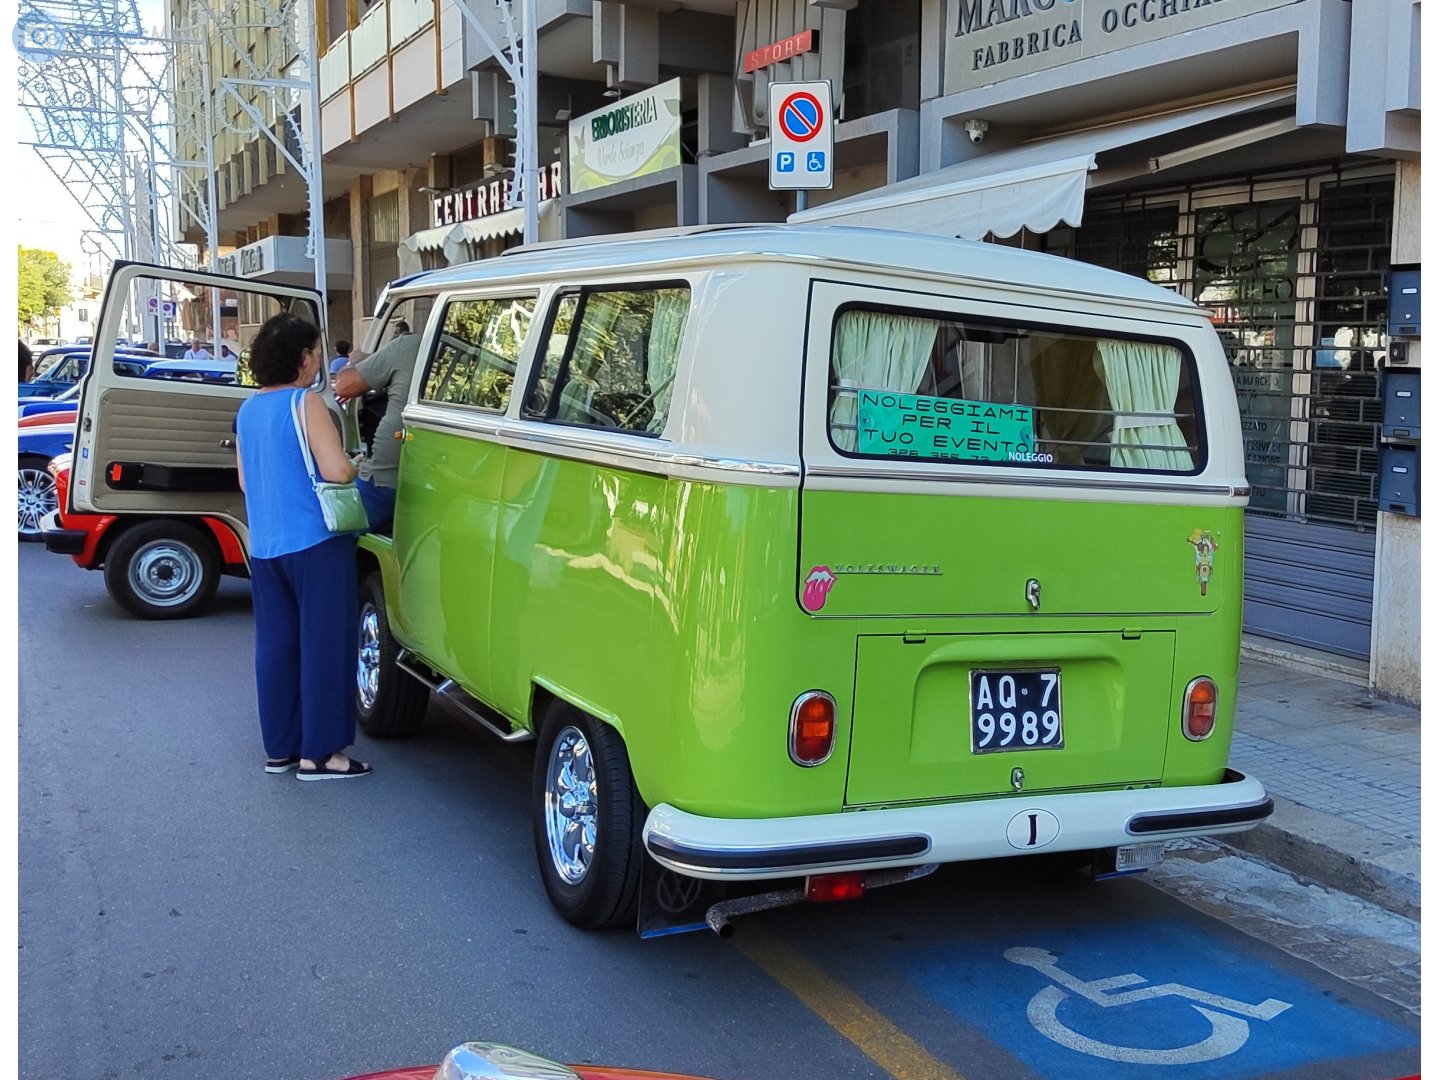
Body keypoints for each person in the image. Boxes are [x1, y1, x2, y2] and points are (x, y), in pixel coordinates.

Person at [234, 312, 372, 781]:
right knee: (326, 646)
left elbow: (244, 480)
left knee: (275, 646)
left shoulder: (248, 409)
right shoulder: (306, 404)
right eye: (314, 351)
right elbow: (335, 470)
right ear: (303, 358)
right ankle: (323, 754)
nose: (317, 360)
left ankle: (281, 749)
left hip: (266, 546)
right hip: (316, 542)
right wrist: (355, 464)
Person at [333, 322, 421, 532]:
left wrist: (353, 363)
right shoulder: (464, 349)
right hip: (434, 474)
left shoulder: (408, 346)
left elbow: (345, 386)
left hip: (388, 478)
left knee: (339, 529)